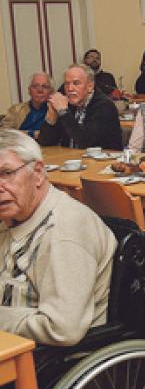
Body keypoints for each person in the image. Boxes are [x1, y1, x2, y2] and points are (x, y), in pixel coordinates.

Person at [0, 129, 115, 346]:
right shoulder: (12, 219)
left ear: (38, 173)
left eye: (7, 173)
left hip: (50, 359)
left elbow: (62, 329)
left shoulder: (65, 231)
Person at [38, 64, 123, 150]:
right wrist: (51, 118)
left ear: (90, 86)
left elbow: (86, 142)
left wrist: (64, 112)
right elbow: (45, 142)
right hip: (70, 159)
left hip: (104, 161)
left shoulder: (104, 106)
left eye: (76, 83)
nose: (70, 89)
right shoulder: (67, 104)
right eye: (67, 84)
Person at [2, 73, 53, 137]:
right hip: (20, 145)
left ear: (51, 91)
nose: (40, 90)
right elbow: (4, 132)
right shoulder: (16, 110)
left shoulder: (55, 110)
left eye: (45, 86)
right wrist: (32, 134)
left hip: (49, 146)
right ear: (29, 90)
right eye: (35, 86)